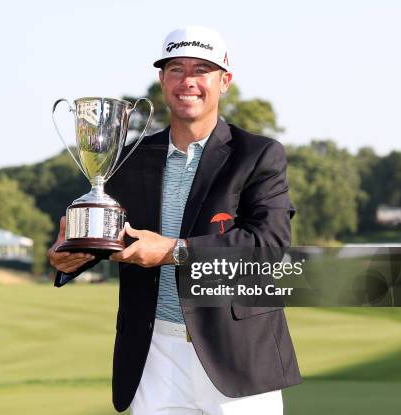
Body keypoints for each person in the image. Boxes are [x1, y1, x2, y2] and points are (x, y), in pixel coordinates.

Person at [47, 25, 301, 415]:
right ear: (162, 80)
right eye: (176, 69)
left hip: (236, 352)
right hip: (154, 354)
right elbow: (118, 237)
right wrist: (74, 255)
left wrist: (174, 251)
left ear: (224, 81)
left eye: (201, 69)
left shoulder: (258, 155)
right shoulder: (129, 159)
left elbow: (268, 246)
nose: (188, 81)